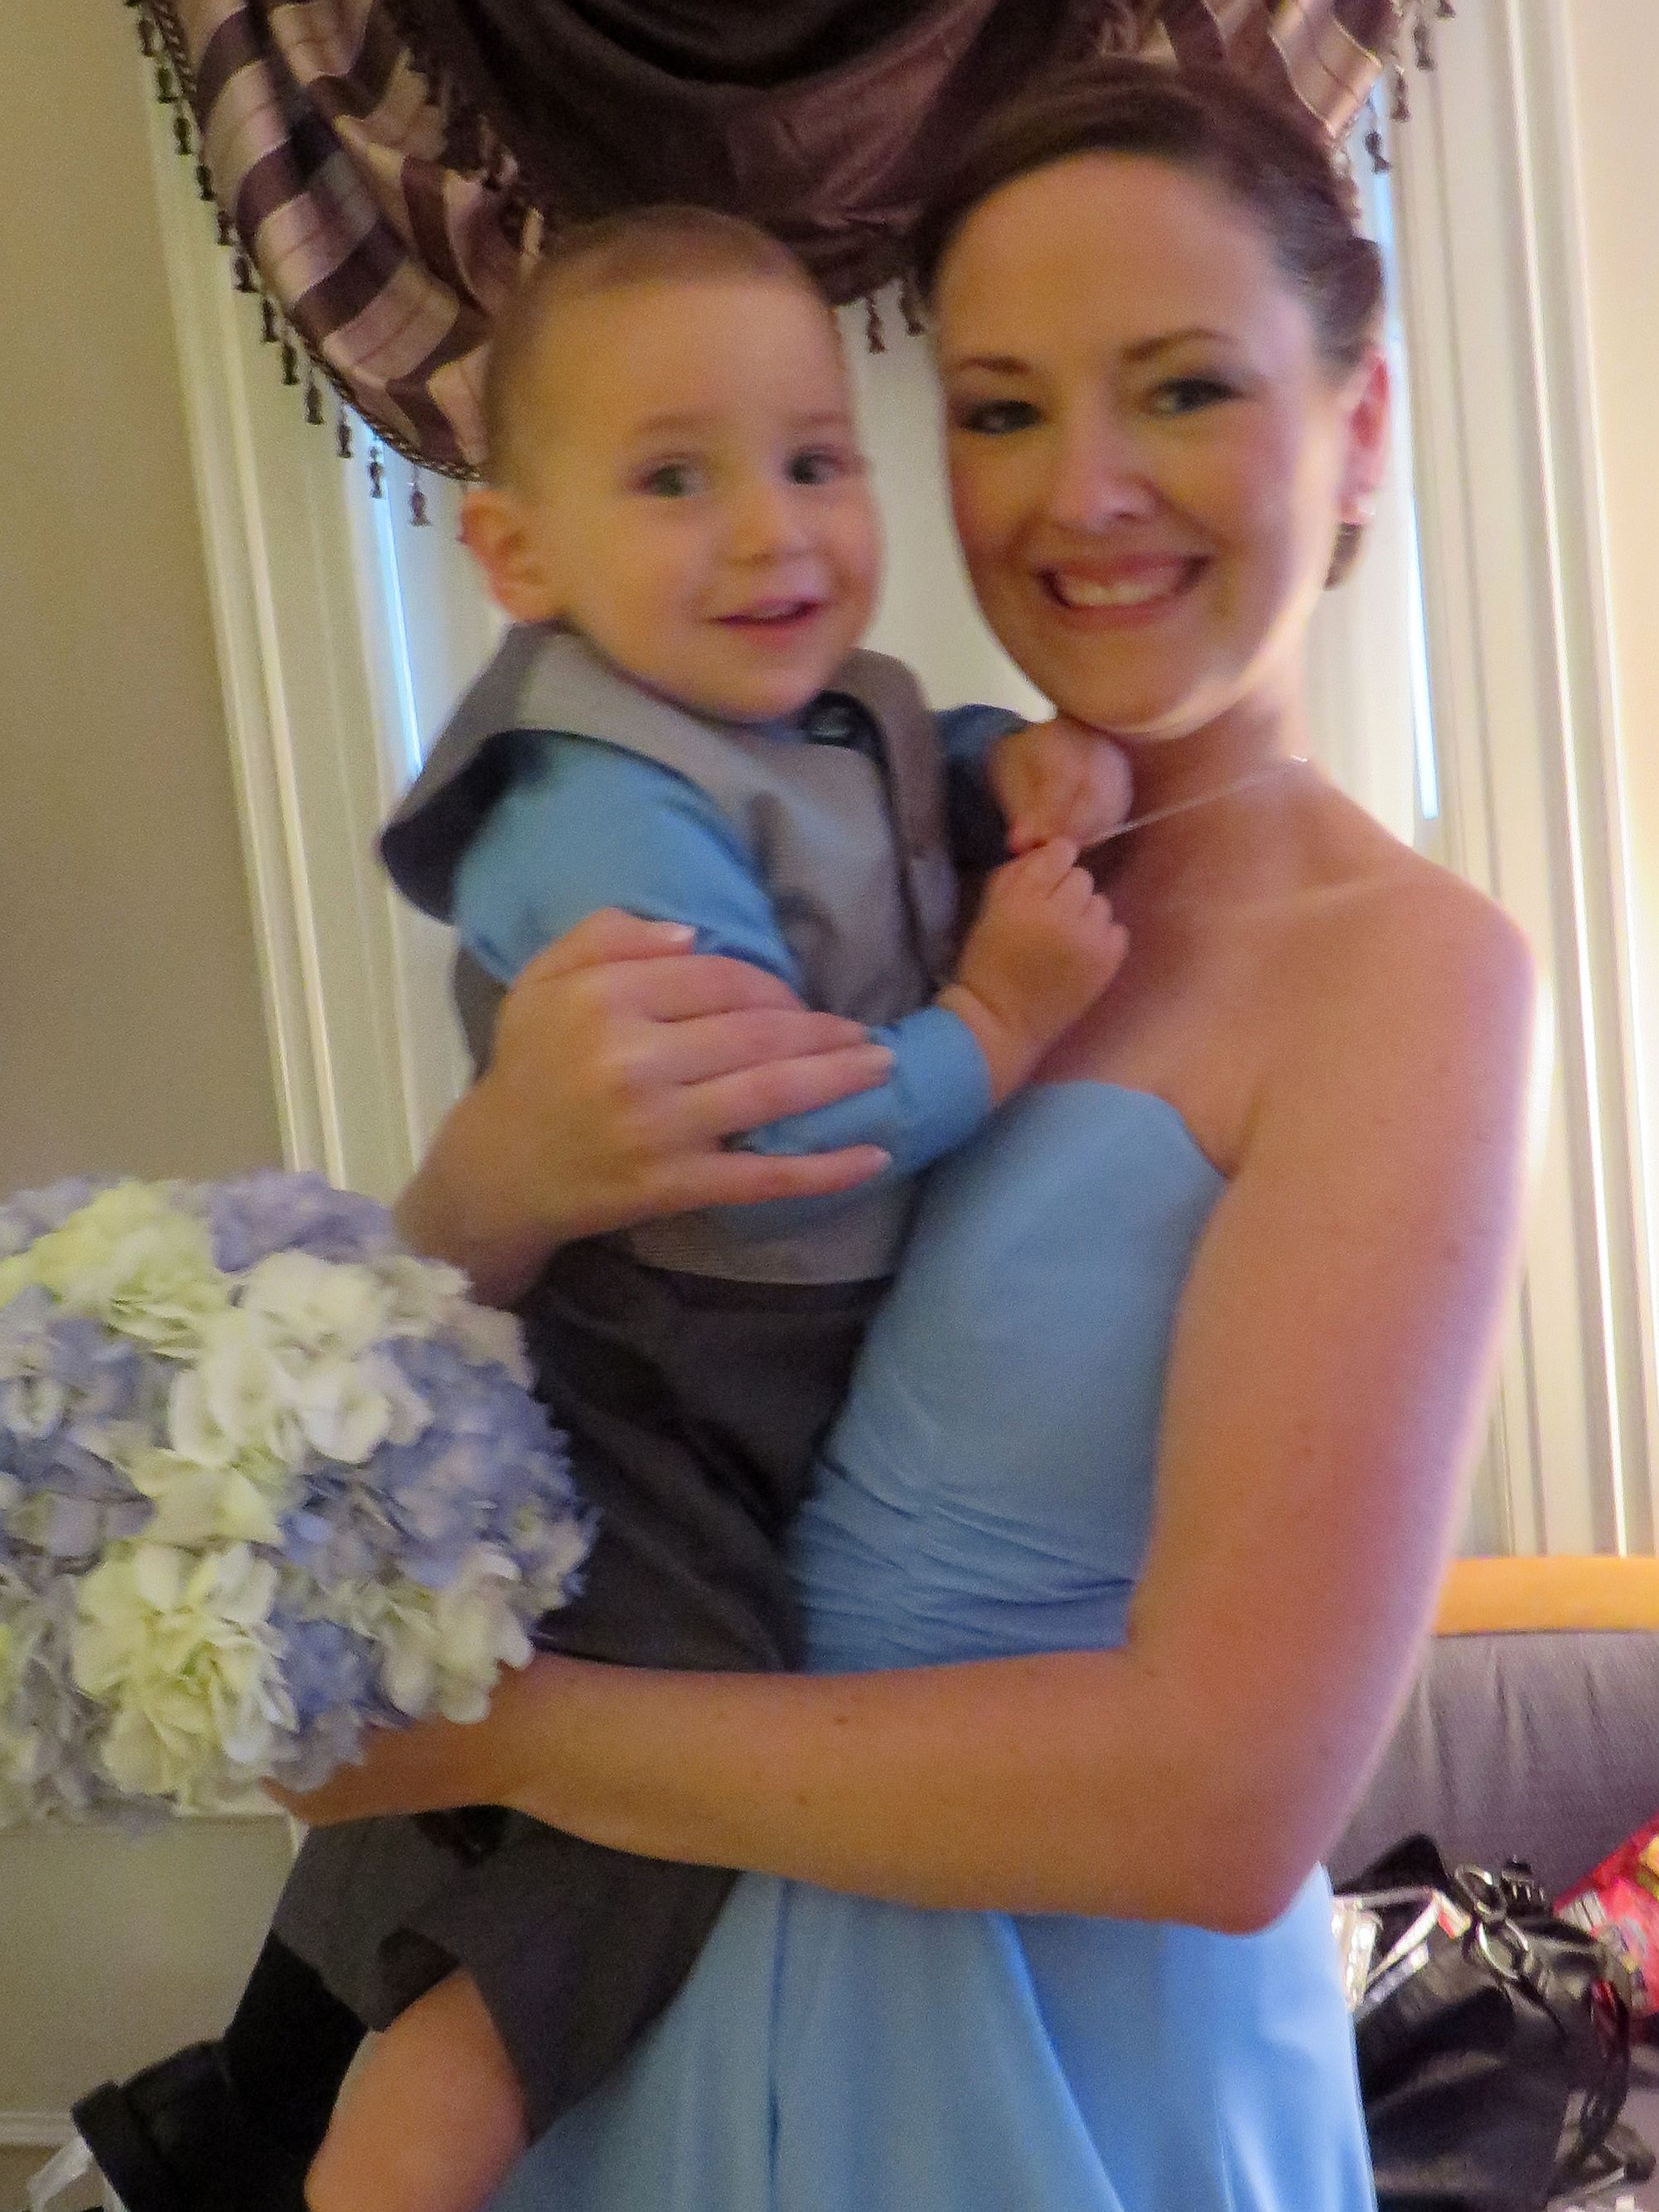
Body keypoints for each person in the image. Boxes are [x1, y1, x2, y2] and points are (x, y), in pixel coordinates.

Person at [273, 58, 1545, 2212]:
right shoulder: (877, 847)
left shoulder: (1407, 975)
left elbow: (1222, 1801)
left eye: (1182, 388)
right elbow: (609, 1340)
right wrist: (492, 1180)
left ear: (1354, 427)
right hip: (643, 2016)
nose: (1086, 492)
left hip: (1039, 2068)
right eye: (1000, 408)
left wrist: (510, 1732)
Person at [71, 208, 1132, 2212]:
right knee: (655, 1791)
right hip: (646, 1376)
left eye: (813, 459)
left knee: (547, 1793)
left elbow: (888, 786)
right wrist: (996, 1023)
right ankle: (390, 2155)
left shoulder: (810, 698)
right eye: (673, 478)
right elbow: (766, 1123)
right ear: (518, 555)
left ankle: (242, 2106)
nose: (770, 532)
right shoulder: (595, 808)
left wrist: (1013, 767)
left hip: (745, 1378)